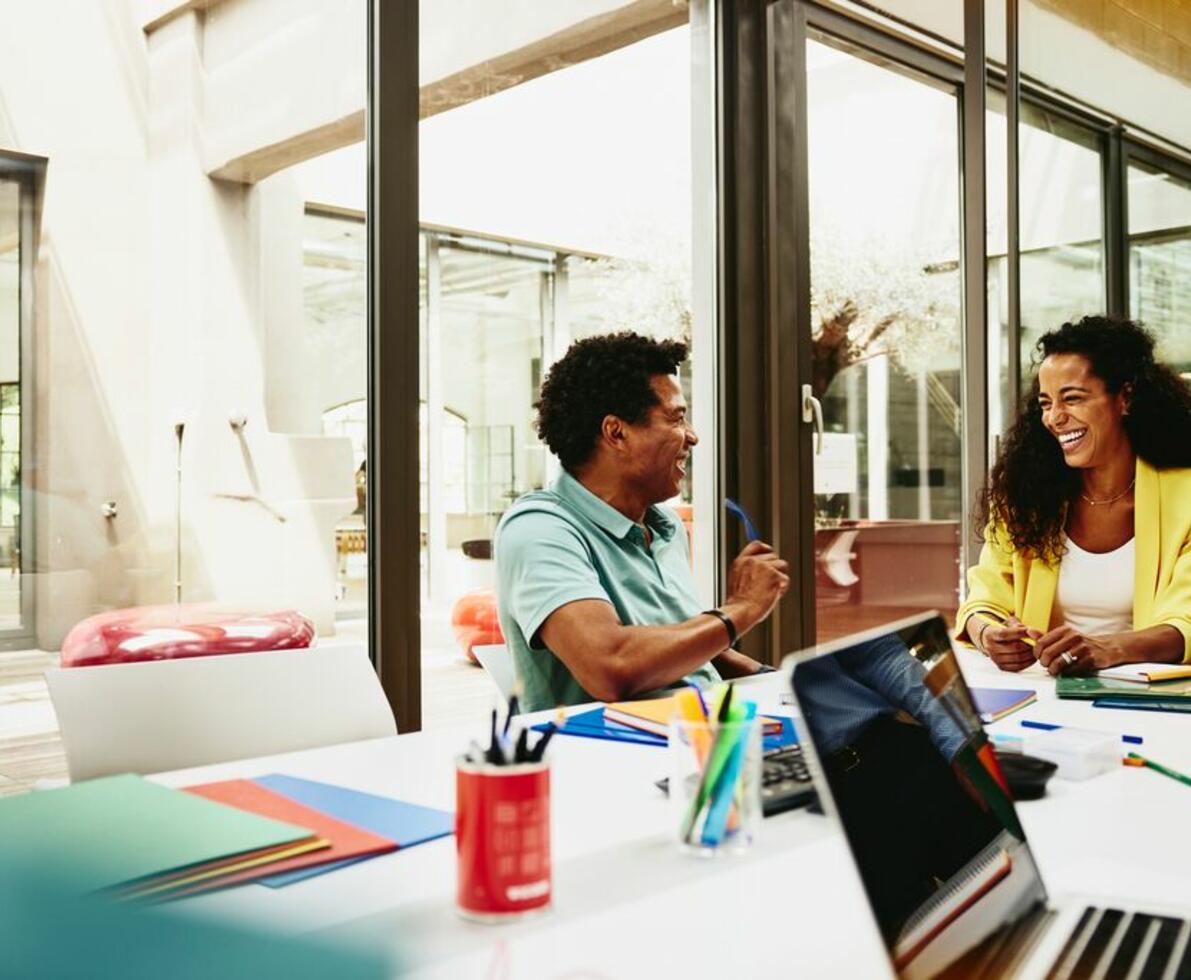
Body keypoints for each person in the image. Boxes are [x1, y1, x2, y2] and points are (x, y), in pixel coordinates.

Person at [495, 331, 789, 711]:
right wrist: (742, 608)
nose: (693, 437)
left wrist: (781, 680)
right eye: (677, 419)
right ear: (616, 433)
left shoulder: (664, 529)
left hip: (704, 739)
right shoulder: (539, 530)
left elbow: (682, 650)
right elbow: (611, 665)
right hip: (616, 758)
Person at [955, 316, 1191, 675]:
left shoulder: (1184, 495)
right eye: (1046, 403)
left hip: (1154, 701)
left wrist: (1108, 649)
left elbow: (1186, 622)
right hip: (1046, 695)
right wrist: (989, 634)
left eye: (1073, 399)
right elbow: (983, 598)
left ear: (1124, 398)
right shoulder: (1029, 497)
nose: (1054, 418)